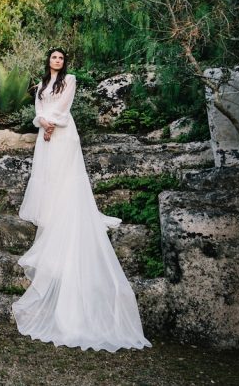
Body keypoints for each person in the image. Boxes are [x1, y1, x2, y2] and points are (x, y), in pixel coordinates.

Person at [12, 48, 152, 352]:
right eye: (54, 58)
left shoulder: (69, 80)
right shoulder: (40, 84)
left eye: (61, 58)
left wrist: (52, 125)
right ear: (47, 61)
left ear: (65, 63)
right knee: (47, 175)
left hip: (63, 136)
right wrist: (42, 124)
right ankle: (50, 211)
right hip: (45, 137)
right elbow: (37, 109)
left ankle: (65, 212)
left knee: (64, 176)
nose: (57, 61)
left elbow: (64, 107)